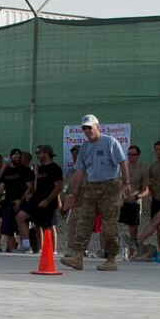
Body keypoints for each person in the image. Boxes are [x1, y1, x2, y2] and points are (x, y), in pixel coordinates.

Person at [59, 115, 128, 270]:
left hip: (110, 187)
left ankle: (111, 259)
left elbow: (123, 162)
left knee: (109, 225)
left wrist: (126, 183)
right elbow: (79, 172)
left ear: (98, 127)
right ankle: (78, 256)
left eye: (90, 127)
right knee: (83, 220)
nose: (87, 130)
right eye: (84, 128)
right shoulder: (84, 147)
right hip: (92, 186)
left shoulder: (110, 142)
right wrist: (74, 193)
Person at [119, 145, 148, 260]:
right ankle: (112, 252)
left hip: (134, 202)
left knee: (133, 229)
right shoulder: (122, 168)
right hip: (120, 201)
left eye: (133, 154)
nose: (131, 157)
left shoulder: (142, 170)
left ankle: (132, 253)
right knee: (111, 226)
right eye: (129, 154)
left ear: (138, 156)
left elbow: (146, 189)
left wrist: (136, 197)